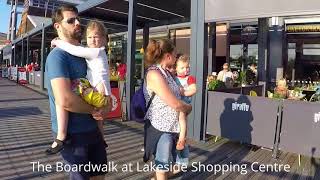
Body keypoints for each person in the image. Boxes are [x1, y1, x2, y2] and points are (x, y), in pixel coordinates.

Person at [45, 5, 109, 179]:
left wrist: (105, 106)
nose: (78, 23)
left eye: (78, 19)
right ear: (57, 26)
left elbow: (104, 98)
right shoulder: (58, 56)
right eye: (71, 20)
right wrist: (94, 110)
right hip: (74, 135)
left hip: (93, 130)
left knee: (99, 175)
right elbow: (65, 99)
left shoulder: (85, 54)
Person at [143, 39, 192, 180]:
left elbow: (179, 94)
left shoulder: (167, 74)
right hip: (161, 128)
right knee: (163, 165)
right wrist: (188, 108)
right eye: (175, 55)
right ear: (168, 56)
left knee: (181, 163)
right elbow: (175, 104)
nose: (176, 58)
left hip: (174, 128)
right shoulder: (154, 74)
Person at [174, 55, 197, 150]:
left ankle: (182, 139)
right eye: (182, 67)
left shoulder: (189, 78)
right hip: (176, 102)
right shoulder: (174, 78)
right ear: (176, 68)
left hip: (184, 102)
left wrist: (183, 92)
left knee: (182, 117)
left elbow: (194, 89)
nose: (185, 70)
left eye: (187, 67)